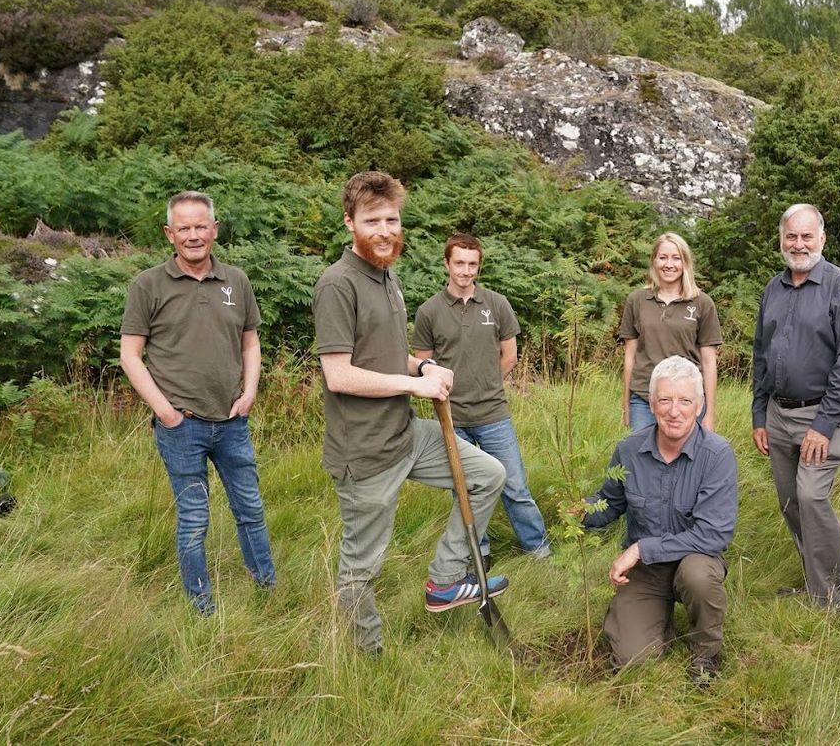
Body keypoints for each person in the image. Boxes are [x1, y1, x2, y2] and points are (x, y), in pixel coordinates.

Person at [313, 171, 509, 654]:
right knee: (362, 566)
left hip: (405, 434)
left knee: (488, 475)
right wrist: (415, 384)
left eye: (392, 220)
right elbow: (338, 374)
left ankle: (444, 581)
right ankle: (367, 656)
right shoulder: (338, 284)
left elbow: (385, 355)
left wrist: (422, 364)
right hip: (365, 451)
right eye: (372, 220)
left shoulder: (388, 277)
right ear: (349, 223)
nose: (384, 230)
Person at [120, 191, 276, 616]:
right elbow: (130, 355)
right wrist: (165, 412)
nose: (193, 236)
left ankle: (267, 588)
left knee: (251, 509)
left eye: (200, 226)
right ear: (170, 234)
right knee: (194, 517)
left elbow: (250, 341)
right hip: (181, 426)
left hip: (231, 421)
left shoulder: (236, 281)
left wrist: (249, 393)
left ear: (214, 230)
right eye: (184, 228)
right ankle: (201, 603)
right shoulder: (148, 285)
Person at [582, 356, 738, 688]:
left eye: (684, 401)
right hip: (648, 573)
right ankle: (658, 621)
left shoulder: (718, 455)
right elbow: (611, 502)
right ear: (652, 405)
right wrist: (580, 511)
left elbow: (712, 535)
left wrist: (641, 548)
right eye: (664, 400)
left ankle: (705, 653)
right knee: (629, 659)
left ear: (699, 406)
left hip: (694, 561)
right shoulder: (629, 449)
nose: (674, 410)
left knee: (697, 575)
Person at [751, 203, 840, 610]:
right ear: (782, 240)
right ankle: (814, 584)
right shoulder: (773, 289)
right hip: (777, 415)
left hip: (822, 417)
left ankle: (831, 599)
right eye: (791, 236)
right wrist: (758, 414)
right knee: (790, 502)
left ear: (822, 239)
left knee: (812, 499)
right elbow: (761, 355)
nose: (798, 244)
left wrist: (825, 423)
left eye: (806, 236)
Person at [413, 233, 550, 563]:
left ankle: (540, 550)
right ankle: (479, 552)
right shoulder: (428, 311)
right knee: (466, 491)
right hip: (451, 418)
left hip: (493, 414)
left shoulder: (496, 304)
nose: (465, 270)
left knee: (515, 487)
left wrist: (488, 384)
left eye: (472, 264)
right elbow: (422, 365)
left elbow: (510, 356)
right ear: (447, 263)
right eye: (459, 263)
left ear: (479, 266)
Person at [619, 233, 723, 433]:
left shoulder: (702, 302)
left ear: (685, 263)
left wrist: (709, 413)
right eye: (663, 257)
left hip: (687, 400)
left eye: (676, 258)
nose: (669, 264)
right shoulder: (637, 300)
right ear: (654, 261)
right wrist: (626, 405)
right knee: (641, 459)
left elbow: (709, 362)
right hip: (643, 398)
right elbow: (630, 357)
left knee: (685, 459)